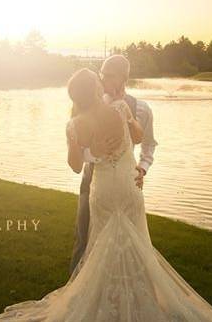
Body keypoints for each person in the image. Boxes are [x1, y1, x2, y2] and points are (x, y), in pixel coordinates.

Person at [0, 67, 212, 322]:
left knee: (102, 246)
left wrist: (93, 153)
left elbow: (75, 165)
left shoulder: (75, 124)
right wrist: (124, 133)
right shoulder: (120, 108)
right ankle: (141, 296)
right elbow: (138, 138)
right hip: (128, 186)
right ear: (96, 87)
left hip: (102, 191)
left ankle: (105, 300)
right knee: (137, 242)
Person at [69, 54, 158, 276]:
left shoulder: (141, 109)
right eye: (101, 75)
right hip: (93, 180)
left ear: (123, 78)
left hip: (128, 179)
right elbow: (79, 153)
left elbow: (147, 144)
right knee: (84, 238)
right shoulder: (88, 104)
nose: (103, 80)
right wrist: (92, 153)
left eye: (109, 76)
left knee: (132, 242)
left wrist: (143, 168)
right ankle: (77, 291)